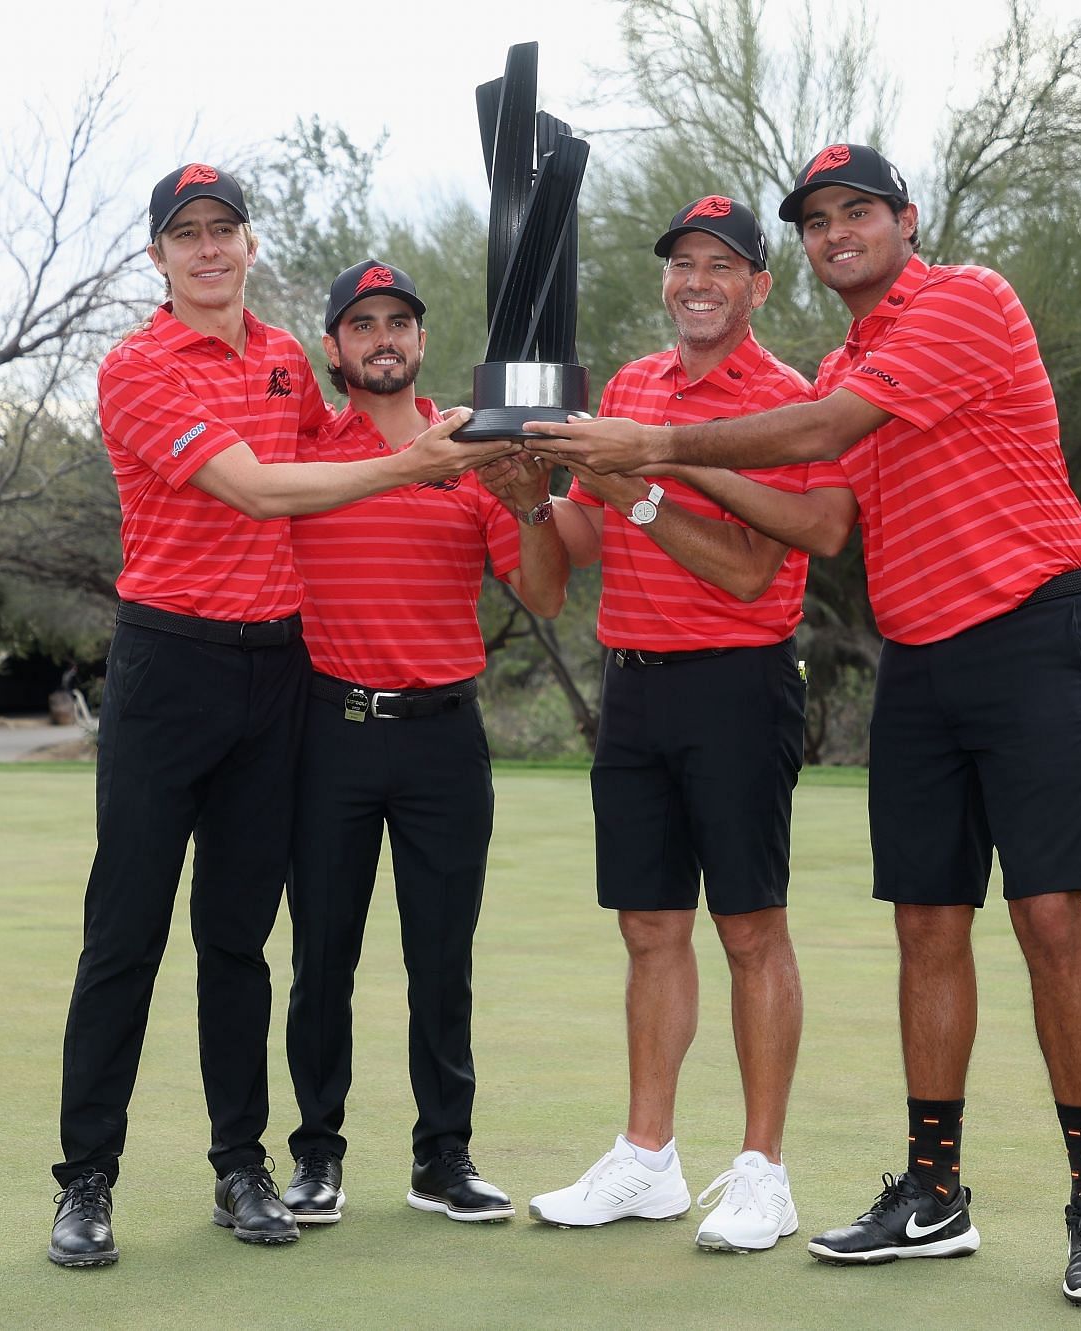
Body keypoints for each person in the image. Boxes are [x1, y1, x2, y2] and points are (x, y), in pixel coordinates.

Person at [525, 144, 1081, 1307]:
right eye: (818, 219)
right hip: (918, 652)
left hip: (1027, 627)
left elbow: (817, 443)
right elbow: (827, 519)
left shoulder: (966, 300)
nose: (837, 231)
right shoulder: (841, 359)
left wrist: (647, 454)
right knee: (926, 921)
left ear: (908, 219)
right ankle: (936, 1191)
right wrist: (604, 469)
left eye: (858, 211)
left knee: (1049, 913)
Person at [48, 165, 512, 1268]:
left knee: (238, 940)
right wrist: (419, 460)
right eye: (185, 235)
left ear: (251, 247)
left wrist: (457, 440)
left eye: (225, 230)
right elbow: (261, 488)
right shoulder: (137, 365)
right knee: (126, 933)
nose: (208, 249)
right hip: (170, 666)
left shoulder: (284, 361)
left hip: (276, 680)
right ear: (157, 259)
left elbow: (335, 451)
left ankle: (242, 1164)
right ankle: (85, 1180)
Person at [524, 197, 856, 1254]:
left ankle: (763, 1171)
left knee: (750, 928)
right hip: (635, 685)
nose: (697, 280)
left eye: (722, 264)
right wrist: (532, 494)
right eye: (682, 264)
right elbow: (580, 534)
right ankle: (650, 1159)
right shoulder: (628, 388)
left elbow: (755, 568)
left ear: (761, 286)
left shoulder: (788, 401)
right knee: (649, 926)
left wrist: (645, 490)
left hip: (740, 685)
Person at [276, 259, 568, 1228]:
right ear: (336, 347)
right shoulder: (311, 444)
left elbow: (545, 592)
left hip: (444, 737)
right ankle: (316, 1154)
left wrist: (532, 499)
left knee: (442, 957)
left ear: (420, 340)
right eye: (363, 325)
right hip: (331, 733)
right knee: (325, 954)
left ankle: (443, 1152)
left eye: (399, 321)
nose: (383, 338)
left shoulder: (470, 451)